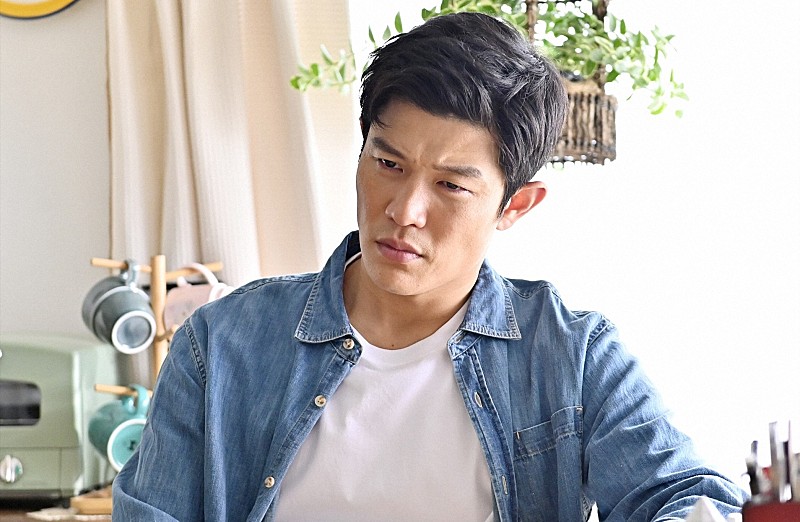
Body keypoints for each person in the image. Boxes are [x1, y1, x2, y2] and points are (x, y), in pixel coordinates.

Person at [113, 12, 746, 521]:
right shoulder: (220, 345)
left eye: (450, 186)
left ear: (515, 205)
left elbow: (686, 495)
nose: (404, 210)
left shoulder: (572, 356)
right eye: (387, 164)